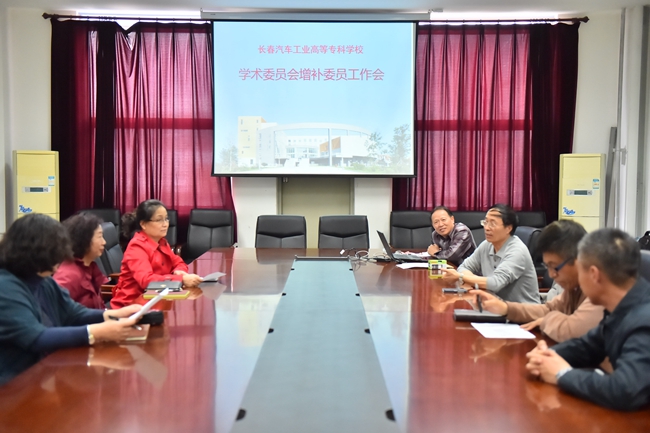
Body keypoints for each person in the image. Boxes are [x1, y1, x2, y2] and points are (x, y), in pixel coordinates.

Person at [0, 213, 142, 386]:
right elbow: (36, 338)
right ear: (37, 251)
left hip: (42, 374)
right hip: (13, 384)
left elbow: (73, 313)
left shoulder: (43, 280)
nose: (62, 256)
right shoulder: (6, 287)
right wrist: (98, 332)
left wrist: (115, 314)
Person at [526, 228, 650, 411]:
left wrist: (562, 374)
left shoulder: (644, 320)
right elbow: (587, 347)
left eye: (580, 270)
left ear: (594, 274)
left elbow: (625, 390)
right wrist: (545, 356)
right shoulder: (623, 307)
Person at [472, 220, 604, 342]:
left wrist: (545, 321)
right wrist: (505, 308)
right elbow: (549, 309)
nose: (551, 275)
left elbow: (573, 330)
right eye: (547, 267)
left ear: (578, 259)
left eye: (555, 267)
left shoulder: (600, 289)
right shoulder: (574, 287)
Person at [110, 199, 203, 309]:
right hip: (132, 305)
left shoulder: (161, 241)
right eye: (159, 220)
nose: (165, 224)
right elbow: (146, 281)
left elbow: (178, 262)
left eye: (166, 219)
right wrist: (180, 280)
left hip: (157, 300)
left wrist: (179, 271)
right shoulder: (137, 246)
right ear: (143, 224)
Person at [442, 204, 540, 303]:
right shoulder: (487, 245)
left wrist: (461, 277)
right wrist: (473, 279)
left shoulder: (517, 251)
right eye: (485, 222)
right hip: (493, 304)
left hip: (522, 310)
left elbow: (495, 283)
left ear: (508, 228)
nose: (486, 228)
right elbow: (464, 267)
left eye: (492, 224)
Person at [53, 212, 109, 309]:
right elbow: (55, 311)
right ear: (84, 240)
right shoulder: (68, 275)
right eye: (99, 237)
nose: (104, 242)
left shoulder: (90, 267)